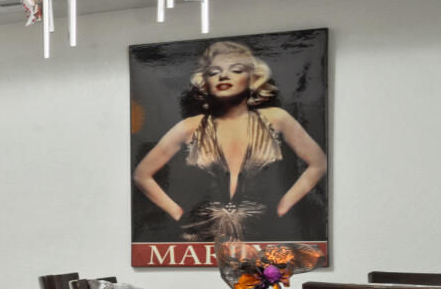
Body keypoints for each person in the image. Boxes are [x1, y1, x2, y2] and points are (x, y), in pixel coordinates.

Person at [132, 39, 328, 246]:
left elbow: (318, 163)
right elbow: (142, 175)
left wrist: (283, 205)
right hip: (202, 238)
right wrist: (179, 213)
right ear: (204, 81)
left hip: (266, 234)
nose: (223, 76)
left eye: (235, 70)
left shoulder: (276, 118)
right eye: (214, 71)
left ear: (253, 78)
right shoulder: (190, 126)